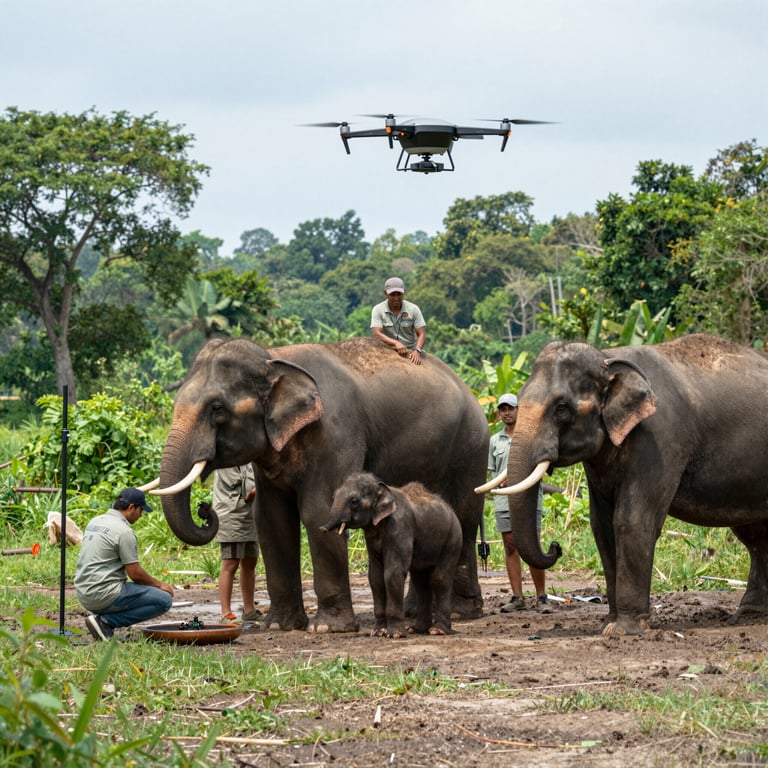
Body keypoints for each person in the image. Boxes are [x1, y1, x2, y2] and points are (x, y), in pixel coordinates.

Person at [75, 488, 174, 641]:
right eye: (141, 510)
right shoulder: (124, 532)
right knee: (164, 600)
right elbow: (135, 574)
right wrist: (160, 585)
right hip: (104, 594)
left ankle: (101, 619)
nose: (141, 515)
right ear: (131, 507)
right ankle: (105, 622)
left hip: (83, 592)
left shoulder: (95, 521)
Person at [487, 393, 553, 614]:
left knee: (532, 543)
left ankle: (542, 596)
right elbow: (493, 472)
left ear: (519, 411)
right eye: (502, 409)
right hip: (504, 497)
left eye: (511, 408)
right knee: (510, 545)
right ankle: (517, 597)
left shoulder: (531, 437)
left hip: (528, 496)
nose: (506, 412)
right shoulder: (495, 441)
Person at [213, 464, 262, 624]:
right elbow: (247, 491)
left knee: (250, 563)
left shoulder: (248, 459)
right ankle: (225, 613)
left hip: (249, 517)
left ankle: (249, 611)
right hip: (232, 517)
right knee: (231, 563)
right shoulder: (227, 461)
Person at [370, 276, 426, 365]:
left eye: (399, 294)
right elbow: (377, 334)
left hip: (410, 350)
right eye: (392, 294)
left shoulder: (413, 309)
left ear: (404, 292)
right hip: (387, 350)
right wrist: (395, 343)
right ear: (385, 293)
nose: (396, 298)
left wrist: (417, 350)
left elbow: (421, 334)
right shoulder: (378, 309)